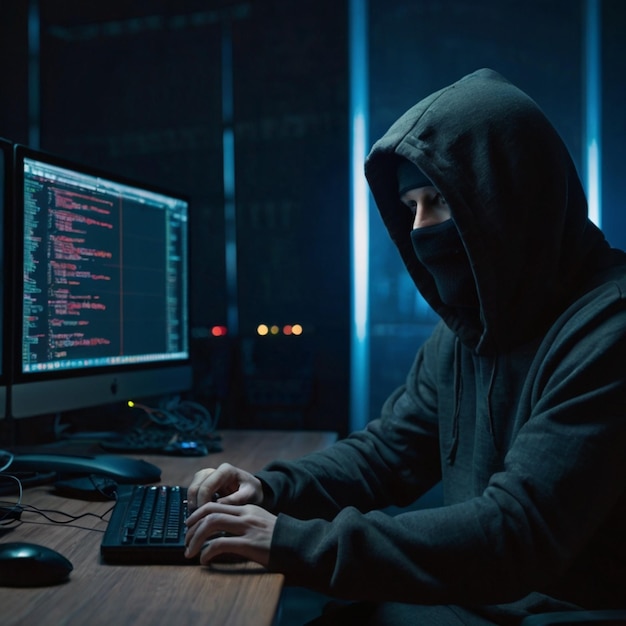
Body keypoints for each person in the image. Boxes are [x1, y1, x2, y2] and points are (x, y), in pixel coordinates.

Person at [184, 68, 626, 625]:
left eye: (439, 199)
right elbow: (388, 454)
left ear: (510, 191)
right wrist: (271, 490)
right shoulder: (470, 327)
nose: (422, 229)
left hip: (558, 611)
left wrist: (292, 542)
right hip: (483, 598)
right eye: (411, 206)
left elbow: (518, 532)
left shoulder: (610, 329)